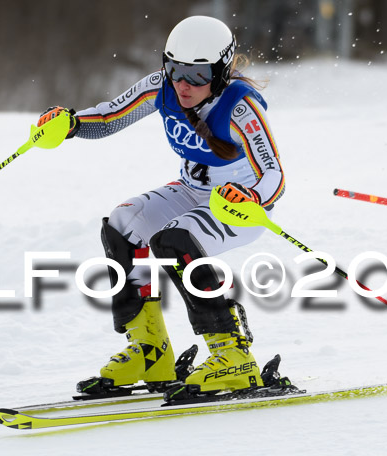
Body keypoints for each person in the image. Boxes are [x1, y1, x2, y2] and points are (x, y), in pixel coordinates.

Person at [38, 16, 284, 399]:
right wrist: (70, 123)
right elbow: (107, 118)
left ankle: (232, 354)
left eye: (199, 75)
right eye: (175, 70)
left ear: (221, 72)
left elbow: (274, 175)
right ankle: (151, 351)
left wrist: (252, 197)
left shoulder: (241, 108)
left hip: (237, 208)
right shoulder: (162, 88)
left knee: (174, 240)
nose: (184, 84)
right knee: (123, 223)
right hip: (190, 190)